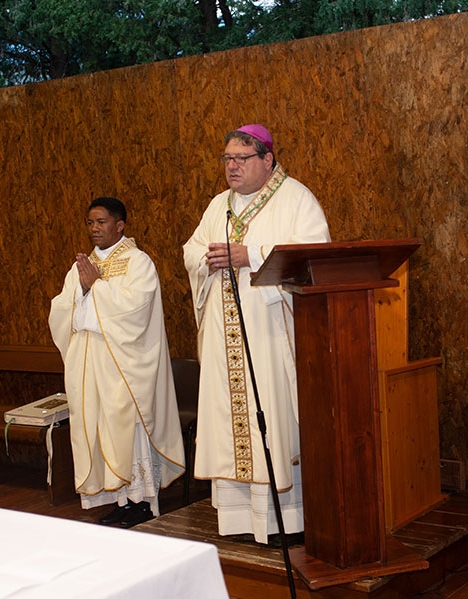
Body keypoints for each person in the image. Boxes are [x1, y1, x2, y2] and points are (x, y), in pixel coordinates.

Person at [182, 124, 330, 545]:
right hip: (224, 334)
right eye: (227, 158)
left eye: (241, 159)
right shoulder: (218, 206)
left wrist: (253, 255)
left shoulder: (296, 199)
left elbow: (314, 253)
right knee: (230, 421)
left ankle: (285, 520)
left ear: (267, 160)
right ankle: (239, 520)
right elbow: (192, 248)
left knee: (275, 415)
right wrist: (205, 260)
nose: (231, 166)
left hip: (269, 333)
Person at [49, 196, 185, 528]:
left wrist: (96, 287)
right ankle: (118, 500)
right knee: (98, 430)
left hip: (124, 366)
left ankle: (140, 502)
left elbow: (136, 310)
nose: (94, 229)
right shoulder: (81, 265)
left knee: (127, 431)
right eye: (90, 223)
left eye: (101, 222)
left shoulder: (138, 263)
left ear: (119, 225)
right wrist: (82, 291)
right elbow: (63, 309)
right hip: (89, 363)